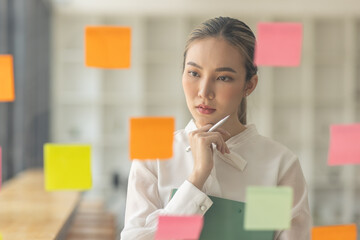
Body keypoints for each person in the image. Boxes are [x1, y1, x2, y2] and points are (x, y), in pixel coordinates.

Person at [121, 16, 312, 240]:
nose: (204, 91)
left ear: (249, 85)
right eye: (194, 73)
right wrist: (197, 178)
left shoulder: (279, 166)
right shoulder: (154, 157)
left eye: (223, 77)